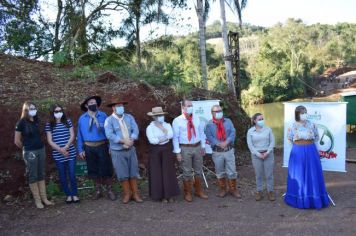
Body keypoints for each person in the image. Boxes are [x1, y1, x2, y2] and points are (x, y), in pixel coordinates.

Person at [285, 105, 329, 209]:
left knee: (312, 174)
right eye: (302, 113)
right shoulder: (292, 126)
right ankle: (299, 198)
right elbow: (289, 139)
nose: (304, 114)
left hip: (311, 150)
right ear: (297, 114)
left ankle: (314, 198)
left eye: (305, 112)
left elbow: (317, 138)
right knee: (299, 175)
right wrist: (298, 147)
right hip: (297, 152)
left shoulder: (312, 125)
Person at [14, 102, 54, 208]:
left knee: (41, 173)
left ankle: (44, 198)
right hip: (29, 151)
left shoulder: (38, 121)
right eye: (31, 109)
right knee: (33, 175)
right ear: (26, 110)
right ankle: (37, 200)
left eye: (34, 108)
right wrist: (26, 147)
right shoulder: (21, 122)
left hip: (41, 149)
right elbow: (17, 141)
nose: (33, 110)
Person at [104, 98, 143, 203]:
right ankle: (127, 194)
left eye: (122, 106)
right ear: (113, 108)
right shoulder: (109, 120)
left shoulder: (129, 117)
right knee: (122, 174)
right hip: (118, 151)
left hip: (131, 149)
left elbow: (135, 130)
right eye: (118, 106)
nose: (121, 108)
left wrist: (131, 139)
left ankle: (135, 194)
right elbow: (109, 135)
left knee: (133, 172)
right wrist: (123, 141)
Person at [77, 95, 116, 201]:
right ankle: (98, 190)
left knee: (107, 168)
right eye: (90, 103)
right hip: (89, 147)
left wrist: (110, 146)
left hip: (103, 146)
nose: (92, 104)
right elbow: (79, 135)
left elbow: (110, 132)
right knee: (93, 170)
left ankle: (109, 190)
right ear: (86, 105)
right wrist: (80, 149)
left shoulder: (103, 116)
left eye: (94, 102)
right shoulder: (82, 119)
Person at [172, 99, 208, 202]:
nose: (190, 107)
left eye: (191, 105)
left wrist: (203, 146)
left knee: (198, 170)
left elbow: (201, 133)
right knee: (186, 172)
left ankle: (198, 190)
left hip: (197, 147)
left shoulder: (197, 118)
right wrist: (177, 152)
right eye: (188, 105)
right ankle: (187, 192)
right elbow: (175, 137)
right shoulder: (177, 120)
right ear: (183, 107)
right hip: (185, 148)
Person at [205, 105, 241, 198]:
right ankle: (223, 189)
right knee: (220, 171)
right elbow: (209, 137)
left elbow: (233, 132)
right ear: (212, 113)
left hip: (229, 150)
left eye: (220, 110)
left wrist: (227, 141)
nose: (219, 113)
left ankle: (233, 189)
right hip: (217, 152)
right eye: (216, 111)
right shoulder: (209, 125)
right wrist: (219, 143)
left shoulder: (228, 121)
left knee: (232, 171)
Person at [45, 104, 79, 204]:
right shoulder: (49, 124)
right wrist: (61, 150)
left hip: (70, 153)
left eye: (60, 110)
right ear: (52, 112)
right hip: (58, 155)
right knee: (62, 175)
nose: (58, 112)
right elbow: (50, 140)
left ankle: (75, 194)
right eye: (56, 111)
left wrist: (66, 147)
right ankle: (68, 195)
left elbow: (72, 135)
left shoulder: (67, 121)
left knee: (72, 174)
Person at [146, 107, 180, 203]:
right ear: (154, 117)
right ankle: (160, 196)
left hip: (166, 151)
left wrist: (161, 136)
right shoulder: (150, 127)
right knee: (157, 173)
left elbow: (170, 135)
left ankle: (170, 194)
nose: (161, 117)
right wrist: (163, 138)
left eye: (161, 115)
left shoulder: (167, 125)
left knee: (168, 172)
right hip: (155, 152)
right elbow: (152, 141)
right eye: (158, 116)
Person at [246, 113, 275, 201]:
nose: (262, 120)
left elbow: (272, 142)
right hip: (256, 155)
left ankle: (270, 191)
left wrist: (268, 152)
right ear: (254, 121)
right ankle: (259, 191)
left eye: (262, 118)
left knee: (269, 174)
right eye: (259, 119)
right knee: (258, 174)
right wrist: (258, 154)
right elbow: (250, 145)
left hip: (268, 154)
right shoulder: (250, 131)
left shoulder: (268, 129)